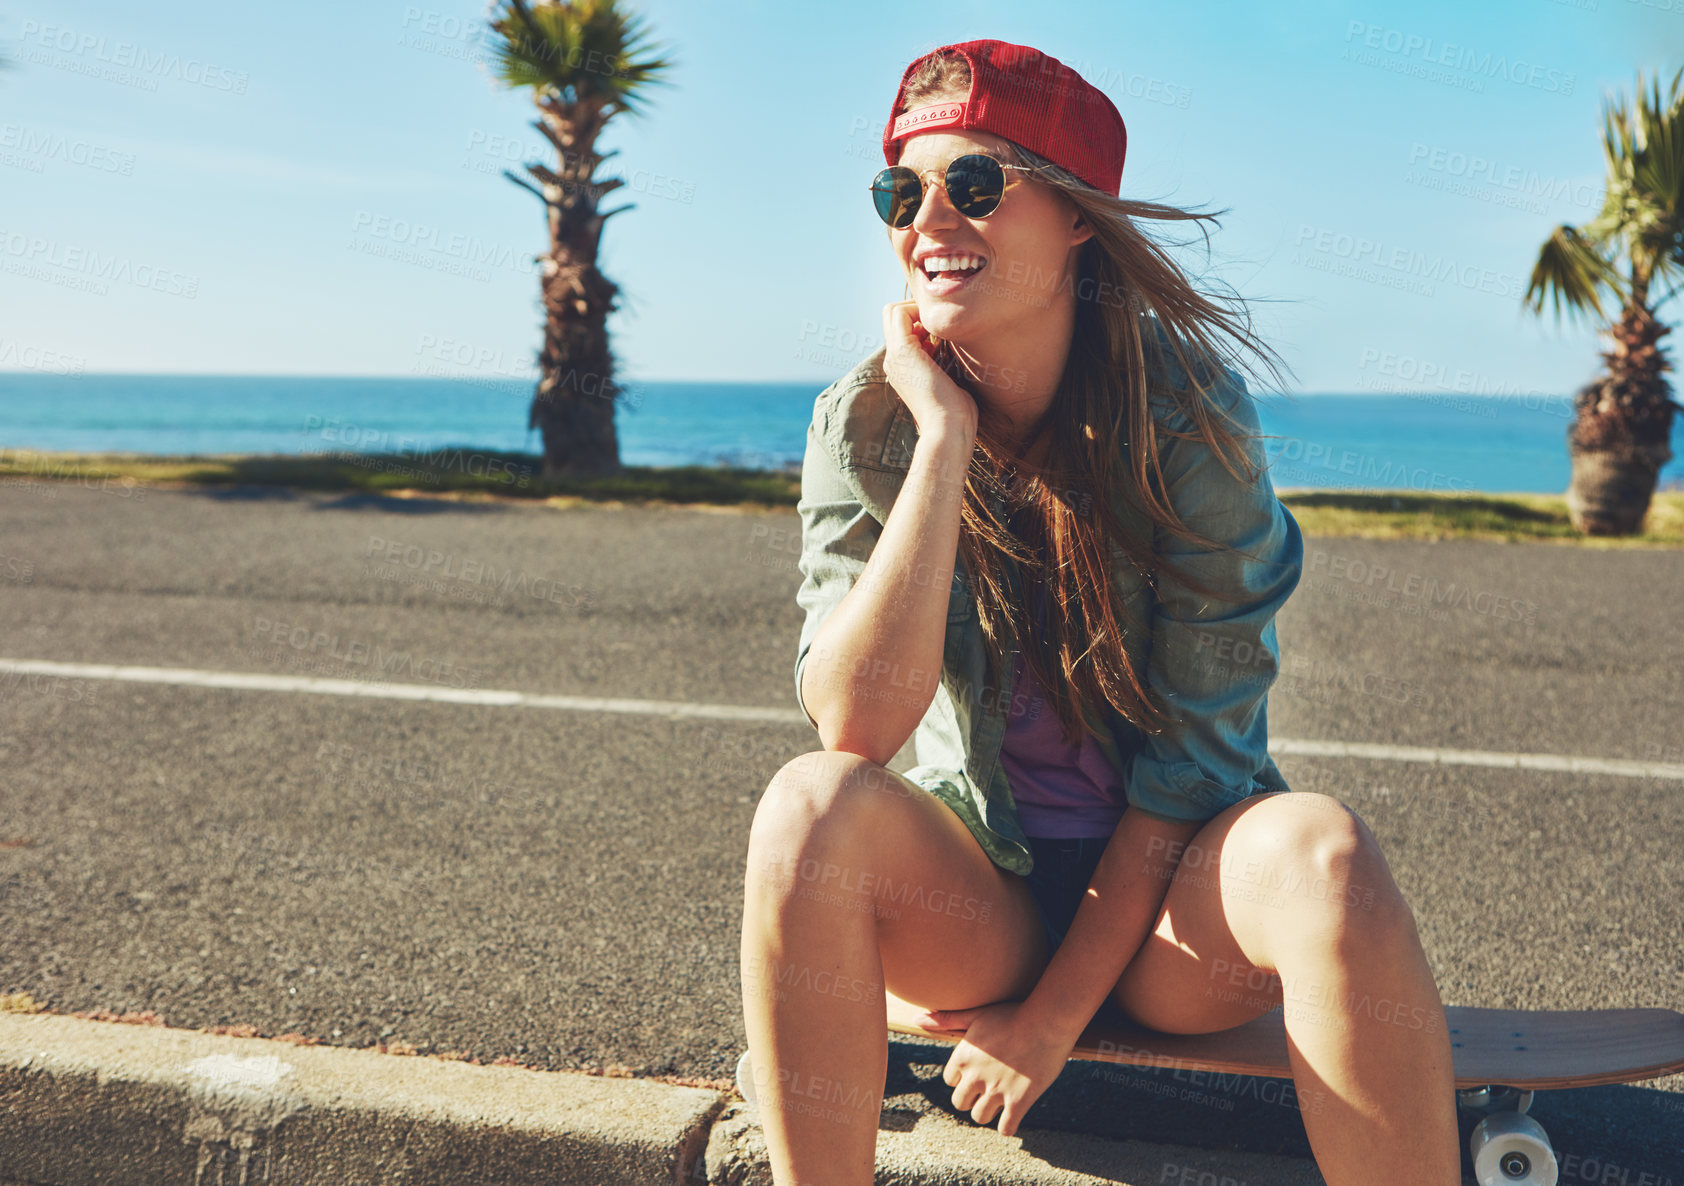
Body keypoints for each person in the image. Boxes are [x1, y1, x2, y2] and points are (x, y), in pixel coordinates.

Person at [740, 38, 1459, 1186]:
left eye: (975, 182)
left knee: (1323, 851)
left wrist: (1049, 1023)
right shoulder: (866, 424)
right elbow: (857, 730)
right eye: (901, 190)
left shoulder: (1187, 418)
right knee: (806, 808)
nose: (931, 217)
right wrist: (941, 442)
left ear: (1076, 216)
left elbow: (1195, 763)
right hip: (973, 896)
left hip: (1176, 911)